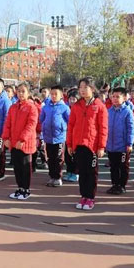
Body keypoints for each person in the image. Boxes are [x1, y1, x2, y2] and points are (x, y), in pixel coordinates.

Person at [66, 77, 108, 210]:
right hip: (78, 144)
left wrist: (101, 146)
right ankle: (83, 196)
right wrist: (70, 144)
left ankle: (90, 197)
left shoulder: (99, 106)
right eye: (81, 87)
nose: (82, 90)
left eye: (85, 87)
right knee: (82, 172)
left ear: (92, 89)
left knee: (91, 173)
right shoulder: (77, 106)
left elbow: (103, 128)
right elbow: (71, 125)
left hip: (92, 146)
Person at [2, 83, 39, 200]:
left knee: (25, 167)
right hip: (13, 142)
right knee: (17, 167)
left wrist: (22, 139)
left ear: (28, 93)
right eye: (19, 91)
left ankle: (26, 189)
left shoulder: (31, 107)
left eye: (23, 91)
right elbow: (7, 123)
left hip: (25, 143)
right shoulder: (13, 107)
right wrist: (6, 138)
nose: (21, 94)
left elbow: (31, 125)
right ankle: (19, 188)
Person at [106, 87, 134, 195]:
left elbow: (131, 128)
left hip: (123, 145)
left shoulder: (127, 112)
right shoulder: (109, 111)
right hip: (111, 145)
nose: (115, 99)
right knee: (113, 166)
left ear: (124, 98)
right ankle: (115, 184)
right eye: (113, 96)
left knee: (123, 166)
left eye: (117, 97)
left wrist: (129, 143)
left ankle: (122, 185)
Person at [39, 85, 70, 187]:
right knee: (50, 158)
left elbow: (70, 121)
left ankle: (57, 177)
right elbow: (41, 119)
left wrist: (63, 128)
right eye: (52, 94)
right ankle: (52, 176)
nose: (53, 96)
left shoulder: (64, 107)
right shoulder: (46, 107)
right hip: (48, 137)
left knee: (58, 158)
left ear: (61, 95)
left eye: (56, 94)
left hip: (59, 138)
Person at [62, 90, 80, 183]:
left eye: (74, 99)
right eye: (70, 99)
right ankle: (69, 171)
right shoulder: (66, 109)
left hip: (77, 136)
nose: (72, 101)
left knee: (76, 156)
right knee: (67, 155)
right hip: (67, 135)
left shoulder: (80, 109)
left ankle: (76, 173)